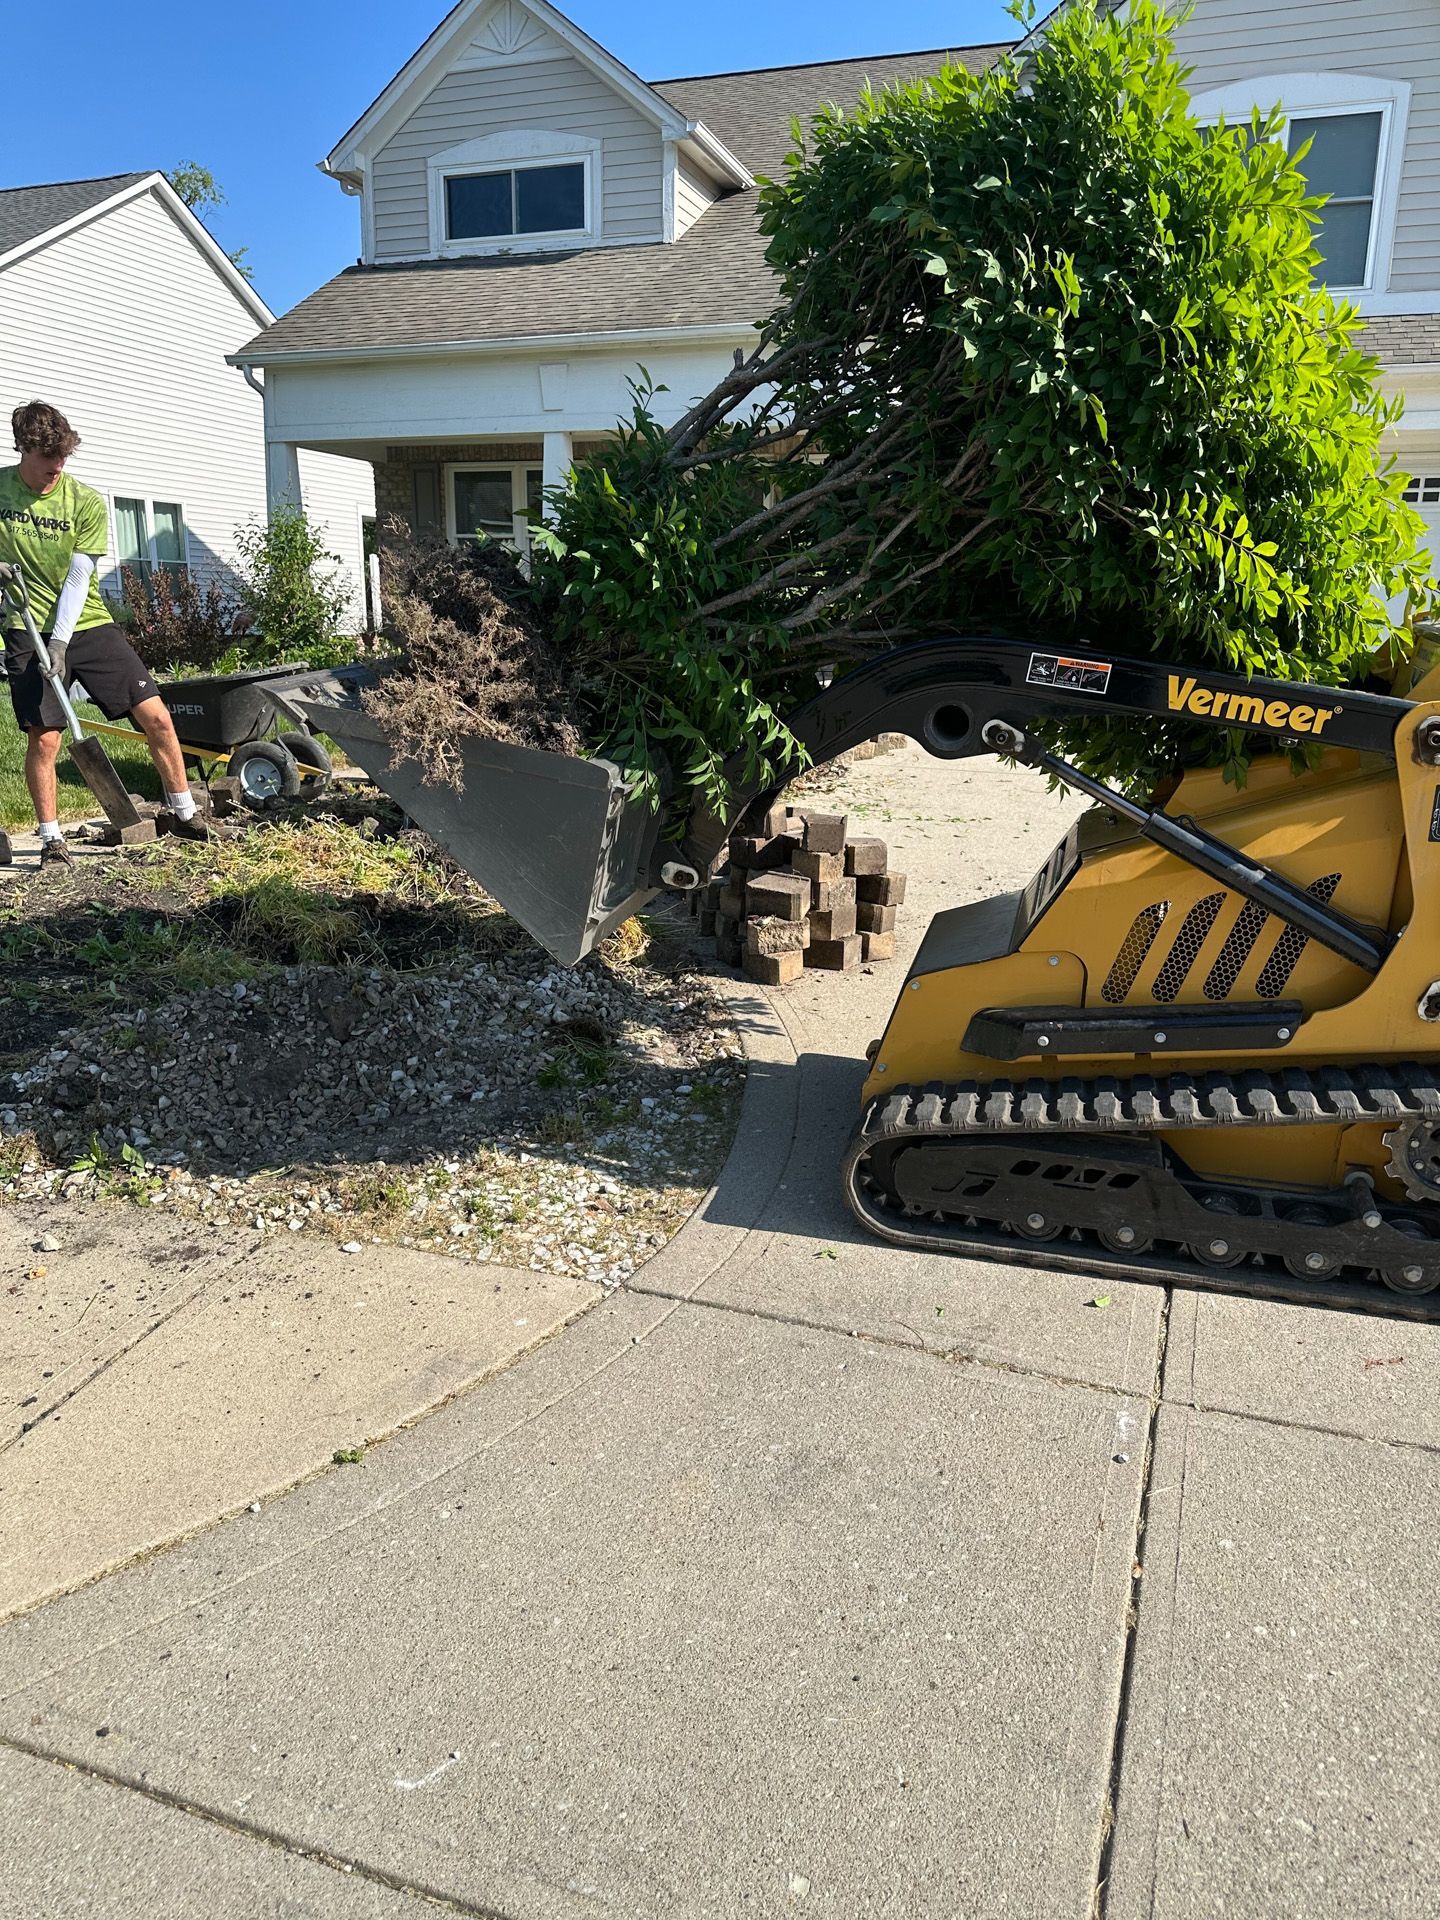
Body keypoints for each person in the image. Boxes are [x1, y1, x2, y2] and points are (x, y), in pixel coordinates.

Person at [0, 399, 217, 866]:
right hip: (23, 623)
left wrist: (60, 640)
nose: (56, 469)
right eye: (47, 460)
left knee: (156, 715)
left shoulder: (84, 501)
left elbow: (79, 579)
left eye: (63, 459)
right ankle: (51, 840)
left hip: (87, 623)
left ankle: (183, 811)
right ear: (23, 449)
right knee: (46, 737)